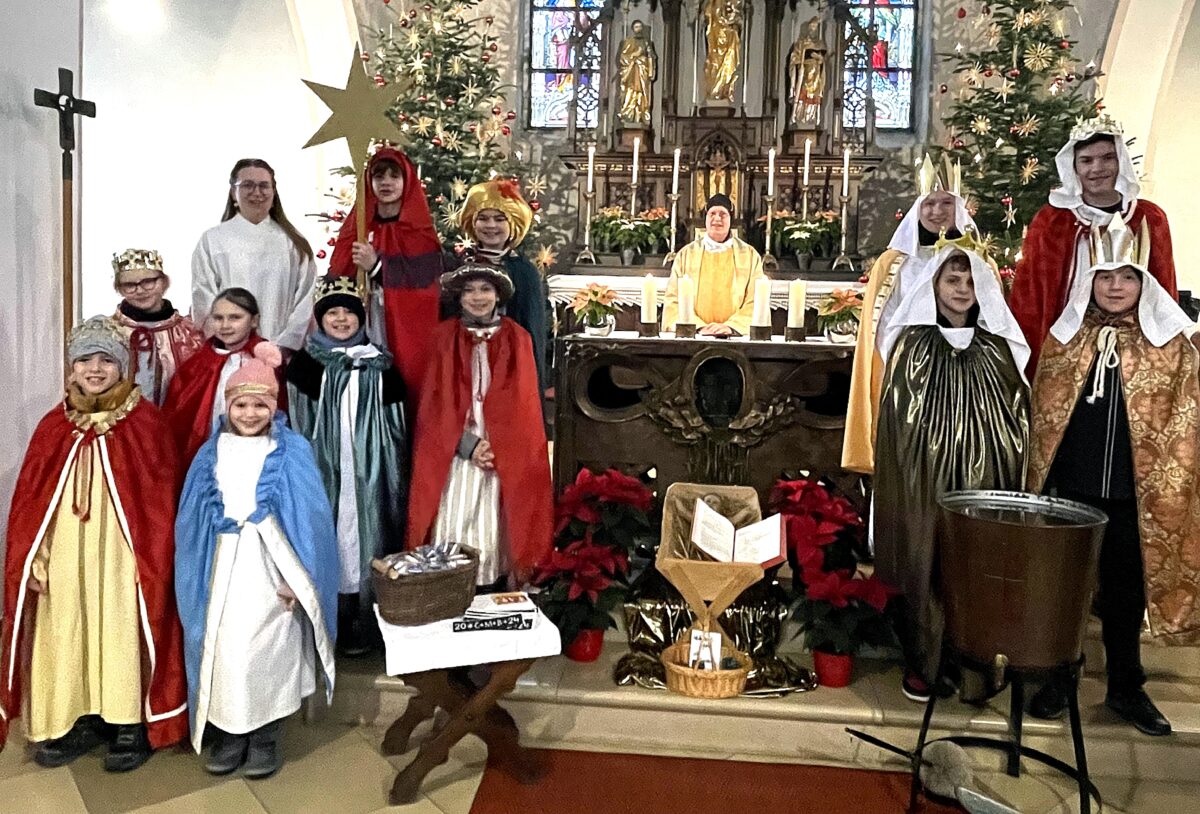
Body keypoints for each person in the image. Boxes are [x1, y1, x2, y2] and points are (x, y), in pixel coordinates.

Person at [1025, 220, 1200, 736]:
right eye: (1105, 277)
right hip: (1072, 490)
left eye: (1128, 276)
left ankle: (1127, 687)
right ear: (1090, 282)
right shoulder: (1067, 338)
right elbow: (1045, 413)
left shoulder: (1170, 346)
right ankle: (1059, 678)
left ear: (1145, 282)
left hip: (1133, 496)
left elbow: (1185, 422)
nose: (1116, 286)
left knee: (1124, 595)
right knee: (1066, 590)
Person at [0, 316, 188, 770]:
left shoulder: (146, 422)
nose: (96, 369)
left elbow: (159, 501)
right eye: (86, 359)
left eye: (107, 359)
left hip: (123, 558)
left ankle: (127, 722)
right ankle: (80, 717)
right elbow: (32, 503)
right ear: (72, 368)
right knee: (68, 630)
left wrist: (149, 560)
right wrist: (37, 559)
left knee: (119, 628)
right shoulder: (54, 425)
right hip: (66, 555)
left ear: (124, 367)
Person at [873, 238, 1031, 702]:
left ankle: (976, 661)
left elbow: (1015, 417)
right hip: (924, 481)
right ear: (933, 286)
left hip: (982, 482)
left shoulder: (997, 347)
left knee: (977, 563)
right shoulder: (912, 345)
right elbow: (898, 422)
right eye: (951, 279)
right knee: (927, 559)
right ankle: (925, 660)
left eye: (969, 281)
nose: (961, 289)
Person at [175, 343, 338, 778]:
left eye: (259, 405)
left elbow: (312, 520)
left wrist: (297, 581)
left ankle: (265, 735)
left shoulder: (292, 451)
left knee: (267, 652)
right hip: (223, 571)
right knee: (226, 652)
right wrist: (199, 570)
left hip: (271, 573)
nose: (249, 414)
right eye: (241, 404)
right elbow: (190, 522)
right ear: (227, 406)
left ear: (273, 406)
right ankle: (230, 735)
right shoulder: (209, 454)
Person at [406, 263, 553, 589]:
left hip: (502, 450)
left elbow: (524, 405)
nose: (477, 297)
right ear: (458, 297)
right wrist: (468, 445)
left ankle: (489, 592)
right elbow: (433, 406)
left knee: (496, 524)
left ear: (498, 295)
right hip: (456, 450)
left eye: (485, 289)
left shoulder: (518, 338)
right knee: (457, 517)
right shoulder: (443, 338)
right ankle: (451, 588)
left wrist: (502, 446)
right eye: (469, 290)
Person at [287, 276, 407, 656]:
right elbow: (298, 421)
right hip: (324, 473)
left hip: (369, 476)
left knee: (366, 538)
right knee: (329, 537)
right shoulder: (306, 365)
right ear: (319, 319)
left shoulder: (381, 367)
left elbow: (398, 426)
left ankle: (365, 617)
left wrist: (386, 469)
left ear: (361, 319)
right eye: (332, 313)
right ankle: (329, 614)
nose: (340, 320)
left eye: (348, 313)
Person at [1009, 114, 1177, 375]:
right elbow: (1030, 299)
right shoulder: (1051, 220)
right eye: (1086, 161)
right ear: (1073, 167)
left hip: (1134, 353)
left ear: (1120, 161)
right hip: (1065, 348)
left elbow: (1164, 290)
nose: (1097, 169)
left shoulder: (1149, 218)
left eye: (1107, 158)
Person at [842, 155, 976, 474]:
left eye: (946, 203)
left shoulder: (977, 261)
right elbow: (882, 327)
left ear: (959, 208)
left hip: (960, 384)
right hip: (904, 381)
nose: (937, 211)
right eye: (928, 204)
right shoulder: (893, 263)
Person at [329, 147, 444, 412]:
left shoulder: (420, 234)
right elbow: (337, 276)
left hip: (402, 332)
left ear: (407, 182)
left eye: (394, 176)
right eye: (379, 176)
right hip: (361, 328)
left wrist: (378, 267)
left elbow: (426, 291)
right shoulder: (357, 228)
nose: (386, 182)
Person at [192, 158, 318, 352]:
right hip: (229, 350)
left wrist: (284, 346)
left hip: (280, 352)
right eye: (247, 185)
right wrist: (226, 340)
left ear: (273, 192)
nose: (257, 192)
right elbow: (204, 294)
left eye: (264, 186)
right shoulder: (213, 239)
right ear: (234, 192)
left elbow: (305, 298)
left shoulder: (293, 242)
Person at [456, 178, 550, 395]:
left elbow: (532, 329)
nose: (491, 226)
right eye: (483, 218)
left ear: (512, 225)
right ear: (473, 222)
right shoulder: (460, 264)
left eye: (499, 219)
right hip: (465, 365)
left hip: (509, 366)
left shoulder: (524, 271)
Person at [162, 288, 272, 465]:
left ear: (254, 320)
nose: (225, 325)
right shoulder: (196, 366)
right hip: (208, 457)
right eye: (218, 318)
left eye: (235, 317)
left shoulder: (267, 360)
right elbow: (176, 418)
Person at [661, 193, 765, 336]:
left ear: (730, 219)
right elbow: (673, 300)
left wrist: (731, 327)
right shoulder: (686, 255)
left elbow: (756, 300)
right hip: (696, 335)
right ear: (706, 218)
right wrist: (698, 327)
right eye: (712, 214)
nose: (717, 219)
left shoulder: (749, 255)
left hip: (734, 337)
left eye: (723, 214)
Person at [111, 248, 204, 406]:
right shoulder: (108, 333)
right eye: (129, 285)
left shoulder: (189, 333)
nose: (140, 290)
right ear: (119, 289)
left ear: (164, 282)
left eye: (148, 282)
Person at [617, 20, 657, 125]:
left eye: (639, 27)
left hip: (642, 72)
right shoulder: (628, 41)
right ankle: (629, 114)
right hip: (631, 72)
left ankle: (641, 114)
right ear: (633, 29)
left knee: (643, 94)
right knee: (630, 93)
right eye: (636, 27)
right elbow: (622, 58)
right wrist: (634, 55)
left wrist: (649, 66)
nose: (638, 29)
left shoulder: (646, 42)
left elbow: (651, 56)